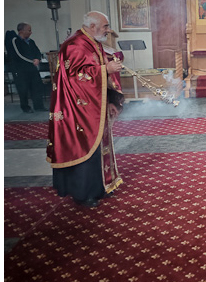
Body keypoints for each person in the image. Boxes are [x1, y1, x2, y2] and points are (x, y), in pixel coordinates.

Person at [47, 11, 125, 208]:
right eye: (105, 26)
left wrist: (110, 101)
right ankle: (83, 194)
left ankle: (100, 187)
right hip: (76, 108)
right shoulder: (75, 45)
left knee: (98, 149)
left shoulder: (92, 41)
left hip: (94, 104)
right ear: (92, 26)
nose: (108, 30)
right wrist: (106, 69)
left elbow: (96, 72)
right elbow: (76, 78)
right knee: (84, 149)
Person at [5, 22, 46, 113]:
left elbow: (37, 51)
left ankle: (39, 106)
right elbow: (18, 55)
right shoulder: (14, 41)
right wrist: (32, 61)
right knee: (23, 89)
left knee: (36, 87)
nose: (31, 32)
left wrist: (38, 58)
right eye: (29, 30)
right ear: (21, 31)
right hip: (20, 70)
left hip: (32, 69)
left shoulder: (31, 42)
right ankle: (25, 107)